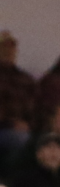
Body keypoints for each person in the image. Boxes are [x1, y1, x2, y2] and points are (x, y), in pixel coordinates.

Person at [0, 32, 38, 161]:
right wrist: (11, 123)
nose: (7, 51)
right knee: (21, 139)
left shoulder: (25, 79)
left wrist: (30, 125)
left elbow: (36, 107)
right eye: (3, 47)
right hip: (5, 128)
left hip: (26, 128)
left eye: (11, 48)